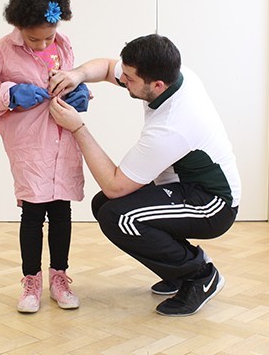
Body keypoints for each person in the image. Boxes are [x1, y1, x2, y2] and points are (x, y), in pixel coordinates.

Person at [48, 34, 241, 316]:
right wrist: (76, 75)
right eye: (124, 75)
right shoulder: (169, 74)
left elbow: (114, 185)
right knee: (104, 206)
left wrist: (78, 128)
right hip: (182, 185)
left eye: (129, 79)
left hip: (213, 204)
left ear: (157, 85)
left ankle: (201, 275)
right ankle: (178, 272)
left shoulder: (171, 126)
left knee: (118, 215)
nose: (122, 80)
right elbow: (105, 67)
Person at [0, 0, 90, 313]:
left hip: (63, 139)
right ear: (19, 26)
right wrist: (10, 93)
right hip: (29, 146)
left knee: (62, 211)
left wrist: (80, 93)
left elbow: (72, 78)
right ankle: (31, 281)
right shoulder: (0, 52)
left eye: (48, 37)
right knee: (33, 212)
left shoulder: (63, 45)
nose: (42, 44)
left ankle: (60, 277)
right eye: (34, 38)